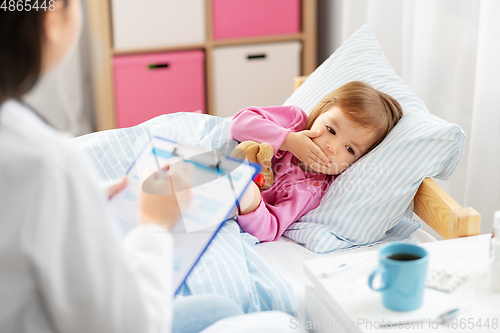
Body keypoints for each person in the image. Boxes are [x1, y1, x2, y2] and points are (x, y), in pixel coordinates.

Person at [0, 1, 247, 332]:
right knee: (221, 311)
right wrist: (154, 224)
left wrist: (82, 199)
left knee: (214, 308)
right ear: (52, 17)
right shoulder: (50, 165)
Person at [230, 81, 403, 242]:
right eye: (331, 129)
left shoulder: (311, 188)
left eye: (349, 149)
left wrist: (249, 196)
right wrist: (288, 140)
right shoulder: (294, 121)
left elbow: (268, 228)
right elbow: (239, 123)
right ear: (322, 111)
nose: (332, 146)